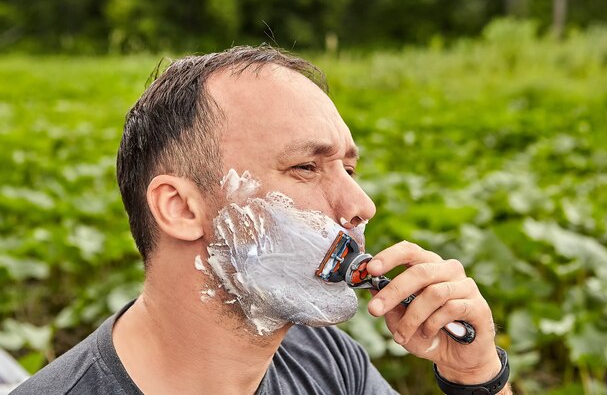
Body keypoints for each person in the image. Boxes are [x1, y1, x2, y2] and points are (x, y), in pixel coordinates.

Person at [11, 46, 512, 395]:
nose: (361, 204)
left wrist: (477, 376)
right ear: (182, 208)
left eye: (350, 168)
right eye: (306, 167)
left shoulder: (329, 363)